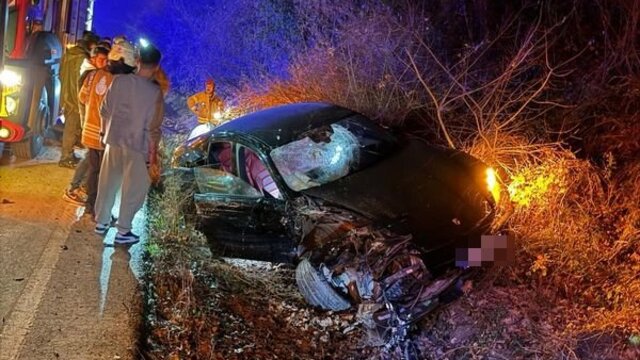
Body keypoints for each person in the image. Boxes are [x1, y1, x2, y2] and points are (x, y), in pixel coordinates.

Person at [94, 44, 164, 245]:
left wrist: (102, 134)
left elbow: (104, 111)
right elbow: (153, 128)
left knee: (107, 183)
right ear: (157, 66)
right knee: (134, 188)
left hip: (113, 141)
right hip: (137, 145)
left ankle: (101, 222)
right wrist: (153, 158)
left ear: (138, 61)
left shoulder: (118, 81)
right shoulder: (154, 93)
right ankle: (123, 231)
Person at [69, 42, 137, 214]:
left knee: (93, 170)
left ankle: (91, 206)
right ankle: (102, 211)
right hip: (110, 136)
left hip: (91, 134)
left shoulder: (93, 75)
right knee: (109, 175)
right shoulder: (122, 81)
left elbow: (82, 97)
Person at [62, 45, 110, 205]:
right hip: (92, 127)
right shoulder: (91, 75)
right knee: (91, 159)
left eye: (107, 60)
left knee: (91, 159)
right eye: (102, 59)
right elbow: (82, 100)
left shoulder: (94, 74)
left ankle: (79, 187)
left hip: (93, 127)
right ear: (93, 58)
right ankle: (74, 188)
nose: (105, 63)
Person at [59, 31, 99, 168]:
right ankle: (66, 157)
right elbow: (81, 79)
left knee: (70, 126)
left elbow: (61, 73)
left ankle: (68, 154)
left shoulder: (69, 53)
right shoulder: (82, 57)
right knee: (71, 127)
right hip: (76, 97)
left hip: (66, 94)